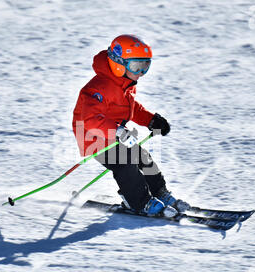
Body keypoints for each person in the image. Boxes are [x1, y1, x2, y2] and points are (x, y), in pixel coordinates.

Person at [72, 34, 190, 218]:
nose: (140, 73)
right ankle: (139, 202)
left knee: (143, 157)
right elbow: (90, 118)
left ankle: (160, 193)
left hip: (116, 134)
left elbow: (131, 109)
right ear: (118, 63)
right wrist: (118, 131)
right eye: (136, 66)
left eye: (145, 67)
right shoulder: (98, 87)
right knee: (124, 163)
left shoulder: (125, 83)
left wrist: (152, 120)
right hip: (92, 136)